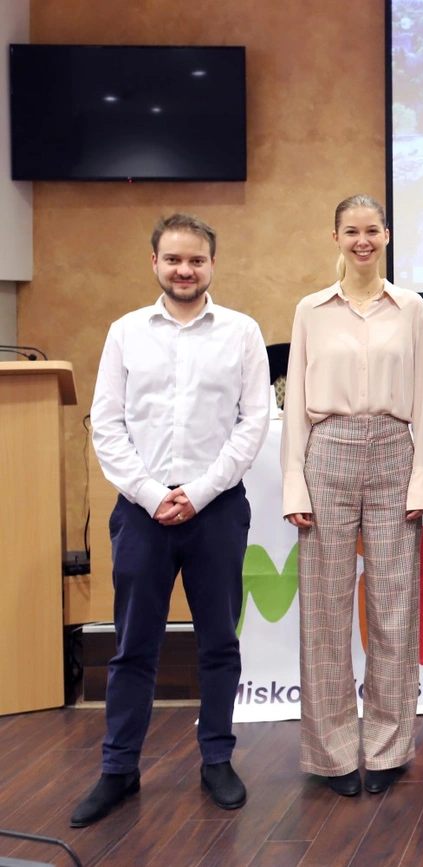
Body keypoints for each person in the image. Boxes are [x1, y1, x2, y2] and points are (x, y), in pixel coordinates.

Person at [76, 214, 270, 826]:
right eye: (173, 259)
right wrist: (150, 493)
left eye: (196, 260)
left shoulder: (241, 332)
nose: (184, 270)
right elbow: (107, 424)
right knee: (133, 646)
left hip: (217, 511)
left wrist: (200, 492)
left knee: (219, 642)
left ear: (212, 264)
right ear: (154, 263)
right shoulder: (126, 332)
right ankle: (118, 769)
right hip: (142, 514)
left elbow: (254, 422)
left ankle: (217, 759)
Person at [281, 194, 423, 797]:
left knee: (394, 608)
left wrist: (422, 475)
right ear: (336, 238)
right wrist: (295, 482)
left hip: (394, 449)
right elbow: (296, 402)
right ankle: (333, 753)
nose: (363, 241)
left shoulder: (411, 307)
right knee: (325, 610)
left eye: (372, 230)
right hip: (329, 451)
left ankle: (388, 746)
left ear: (387, 235)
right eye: (351, 231)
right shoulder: (311, 310)